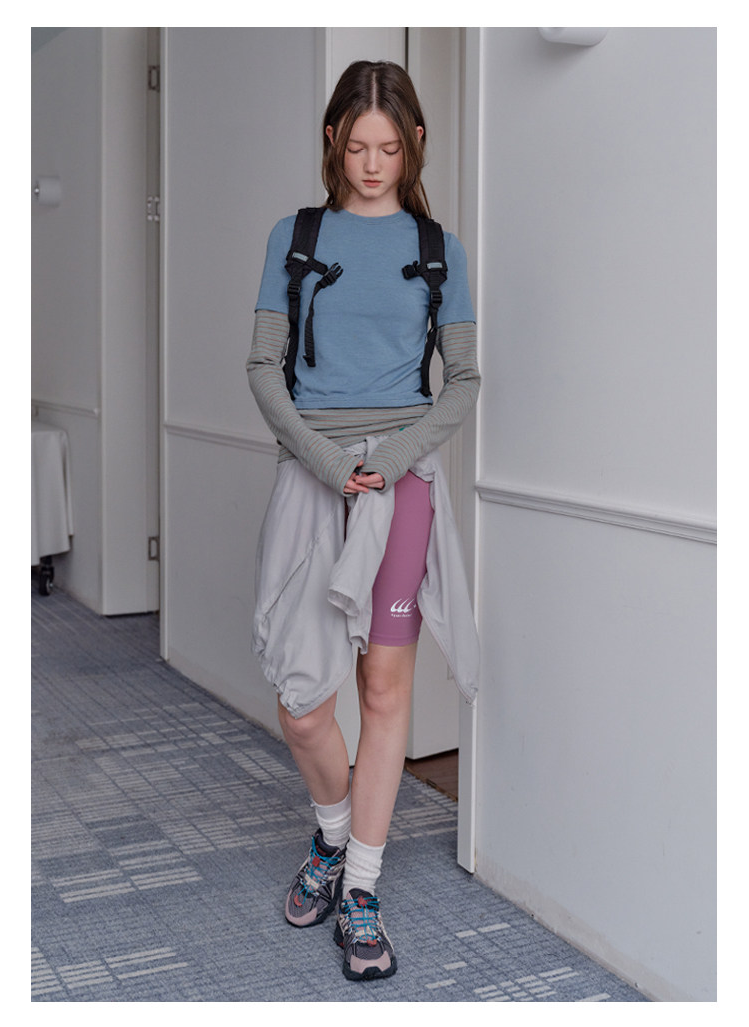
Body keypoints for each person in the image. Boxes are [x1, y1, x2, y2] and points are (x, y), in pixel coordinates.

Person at [247, 60, 480, 982]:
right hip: (314, 476)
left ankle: (362, 890)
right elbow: (263, 369)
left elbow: (462, 379)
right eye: (357, 147)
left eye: (389, 147)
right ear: (333, 143)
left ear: (414, 143)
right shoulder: (295, 235)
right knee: (303, 702)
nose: (373, 164)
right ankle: (332, 833)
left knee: (384, 692)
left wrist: (397, 456)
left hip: (402, 485)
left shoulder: (439, 249)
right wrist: (329, 461)